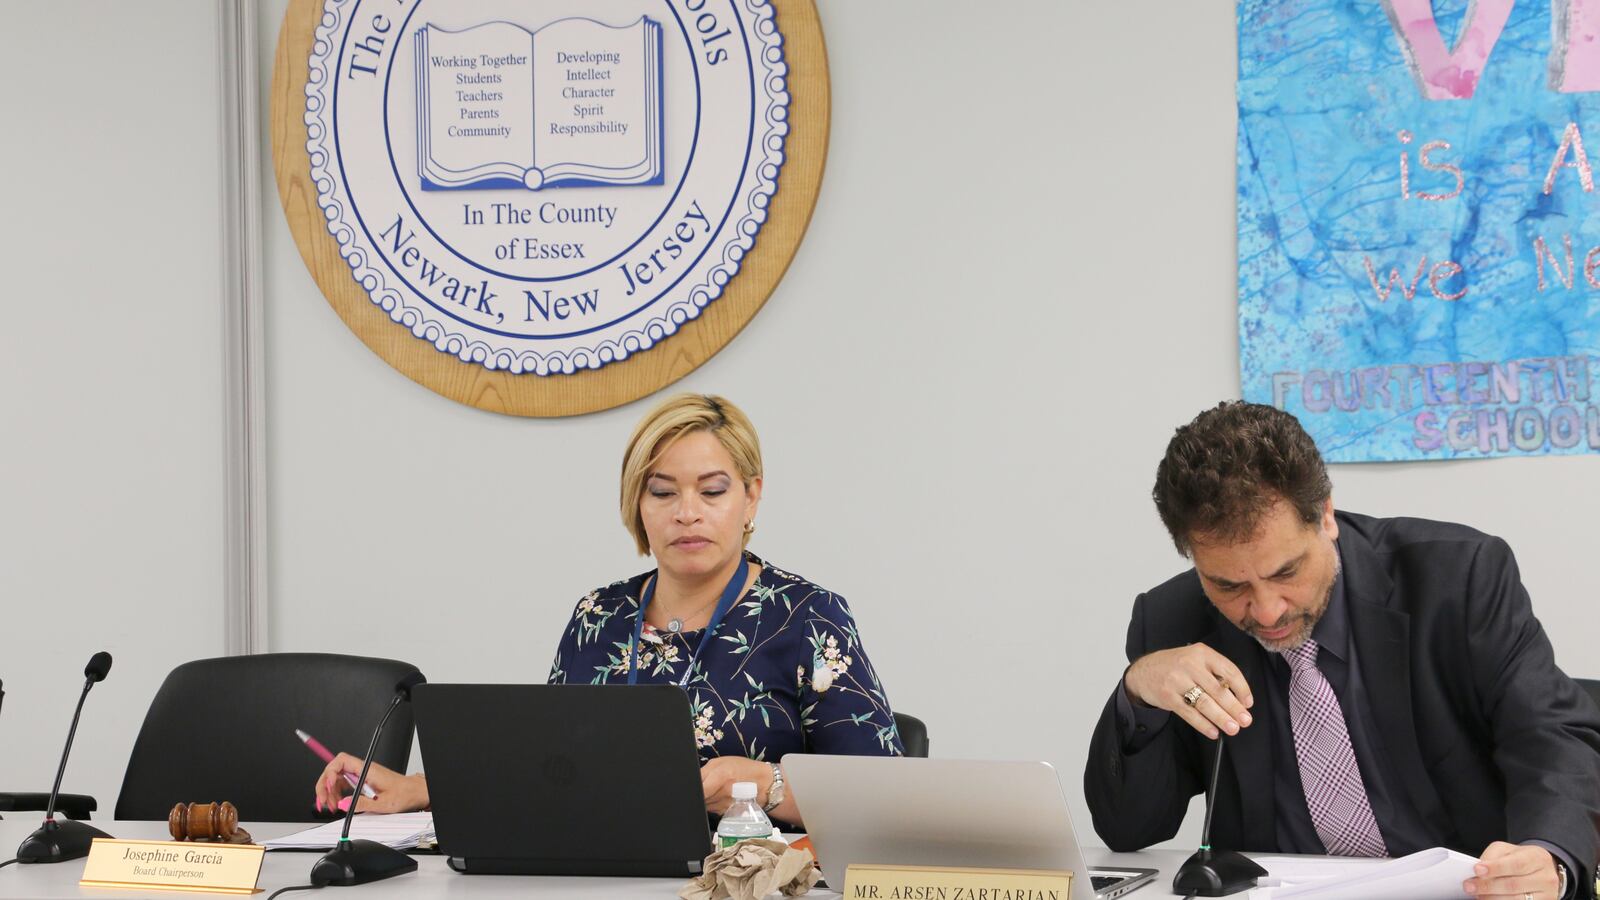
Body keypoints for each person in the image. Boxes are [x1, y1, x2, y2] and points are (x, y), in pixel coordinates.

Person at [1083, 401, 1600, 900]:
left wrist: (1546, 854)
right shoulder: (1173, 621)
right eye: (1227, 586)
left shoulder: (1458, 580)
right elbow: (1130, 830)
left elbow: (1549, 735)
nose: (1265, 611)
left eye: (1285, 572)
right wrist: (1140, 693)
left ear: (1325, 515)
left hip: (1466, 890)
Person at [314, 394, 903, 825]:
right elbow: (547, 768)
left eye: (713, 490)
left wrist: (767, 786)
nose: (687, 512)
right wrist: (417, 788)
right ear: (637, 505)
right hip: (602, 878)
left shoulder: (807, 616)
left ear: (752, 497)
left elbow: (884, 796)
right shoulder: (600, 614)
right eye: (663, 491)